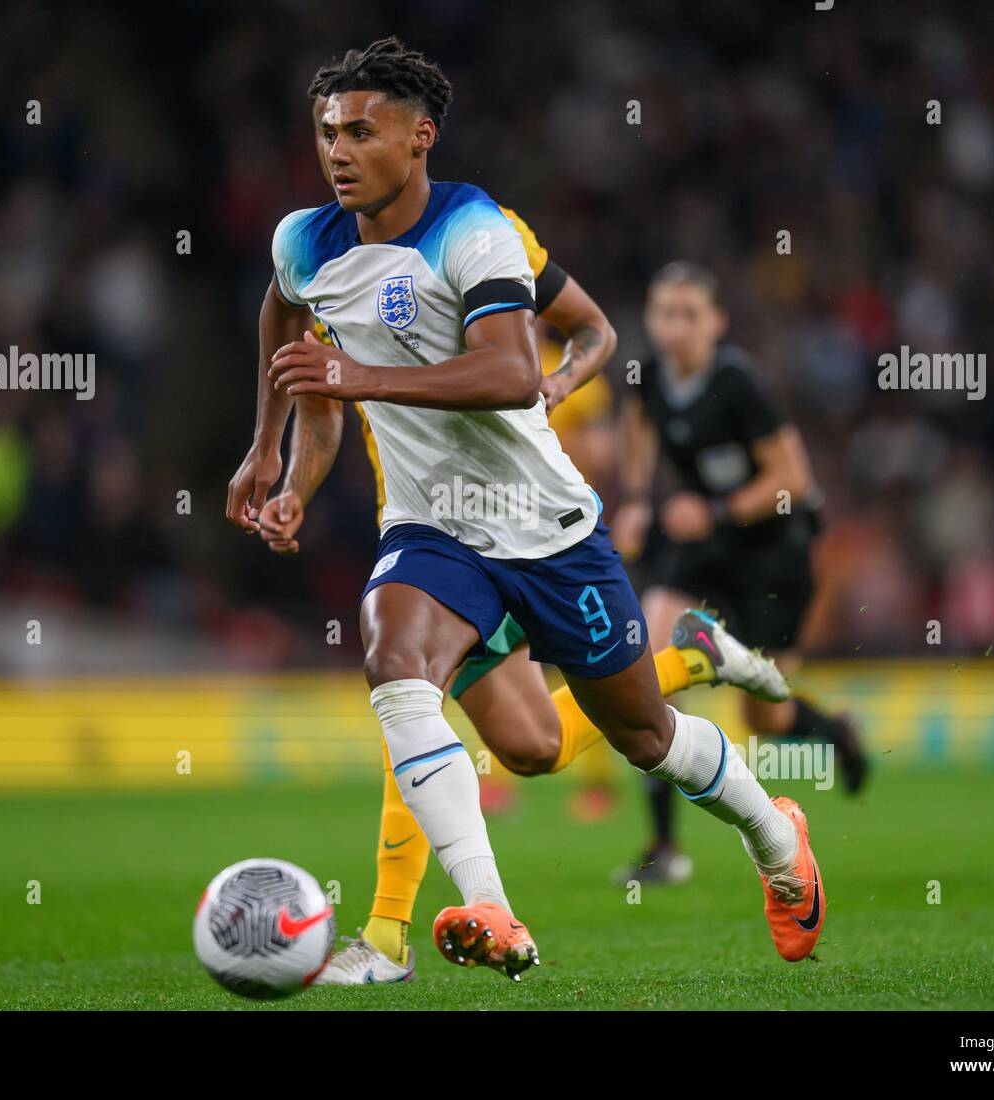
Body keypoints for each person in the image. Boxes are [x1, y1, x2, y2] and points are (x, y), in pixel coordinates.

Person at [226, 37, 825, 978]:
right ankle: (488, 911)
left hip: (545, 528)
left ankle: (776, 840)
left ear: (420, 138)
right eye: (325, 132)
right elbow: (284, 317)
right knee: (392, 654)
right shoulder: (305, 241)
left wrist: (355, 373)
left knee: (618, 738)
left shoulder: (476, 232)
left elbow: (511, 372)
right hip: (431, 530)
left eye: (361, 131)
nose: (337, 151)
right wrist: (275, 459)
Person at [612, 261, 867, 887]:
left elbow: (795, 480)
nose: (673, 328)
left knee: (767, 719)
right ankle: (664, 848)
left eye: (688, 315)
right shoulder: (648, 376)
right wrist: (639, 498)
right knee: (646, 663)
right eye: (663, 313)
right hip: (705, 547)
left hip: (773, 554)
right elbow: (638, 430)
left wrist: (717, 509)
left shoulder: (740, 385)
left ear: (717, 322)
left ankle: (836, 732)